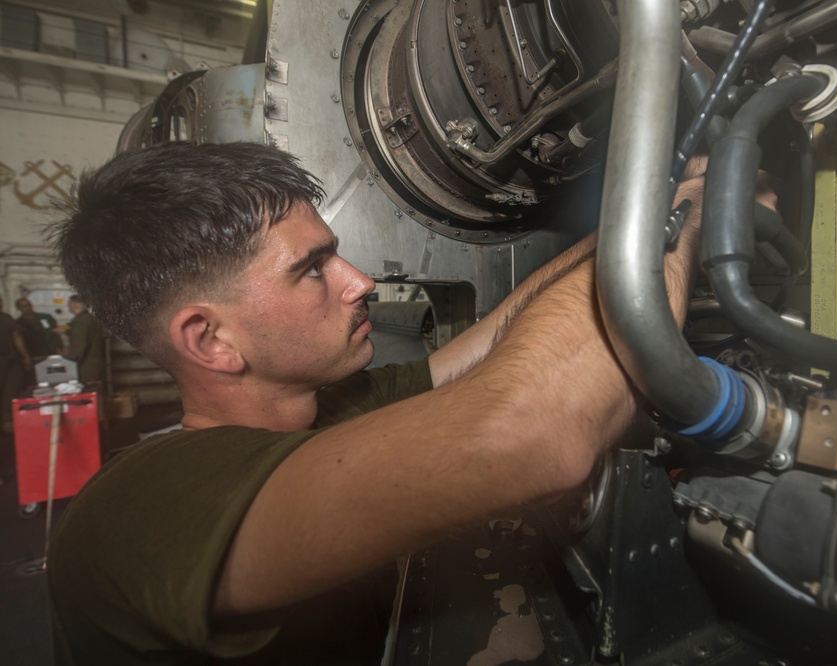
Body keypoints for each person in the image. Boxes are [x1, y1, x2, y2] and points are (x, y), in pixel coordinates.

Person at [45, 141, 709, 664]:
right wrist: (684, 222)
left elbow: (498, 334)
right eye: (312, 268)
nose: (360, 282)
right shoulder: (142, 509)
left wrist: (662, 202)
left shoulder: (334, 408)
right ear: (210, 338)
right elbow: (534, 435)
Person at [0, 295, 32, 434]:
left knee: (9, 391)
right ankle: (7, 422)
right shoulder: (7, 318)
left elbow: (17, 337)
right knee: (9, 392)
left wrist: (25, 357)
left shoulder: (7, 318)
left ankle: (7, 422)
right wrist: (26, 357)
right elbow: (17, 338)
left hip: (10, 362)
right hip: (10, 361)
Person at [66, 294, 105, 386]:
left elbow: (79, 347)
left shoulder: (79, 321)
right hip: (96, 364)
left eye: (69, 305)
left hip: (85, 367)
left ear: (74, 306)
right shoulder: (93, 319)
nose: (69, 307)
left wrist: (70, 363)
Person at [14, 297, 61, 361]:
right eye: (23, 306)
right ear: (19, 308)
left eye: (28, 305)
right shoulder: (18, 323)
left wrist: (59, 347)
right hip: (32, 353)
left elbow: (55, 333)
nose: (27, 307)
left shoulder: (45, 317)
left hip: (49, 351)